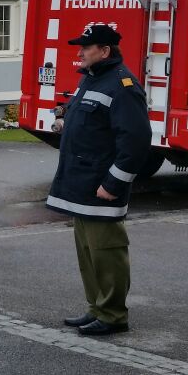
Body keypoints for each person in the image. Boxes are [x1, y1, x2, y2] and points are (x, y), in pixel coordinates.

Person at [46, 24, 150, 337]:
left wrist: (114, 183)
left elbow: (135, 141)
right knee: (89, 254)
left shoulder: (122, 85)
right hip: (82, 186)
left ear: (104, 51)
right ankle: (96, 308)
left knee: (107, 253)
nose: (79, 52)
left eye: (85, 47)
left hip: (102, 188)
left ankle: (113, 315)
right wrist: (64, 120)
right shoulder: (92, 79)